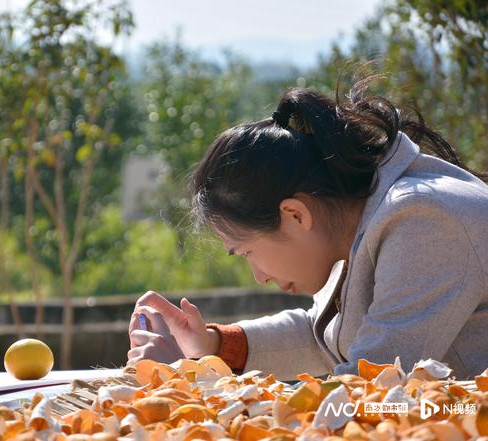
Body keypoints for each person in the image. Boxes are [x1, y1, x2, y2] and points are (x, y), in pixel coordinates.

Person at [126, 77, 488, 380]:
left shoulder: (424, 221)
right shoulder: (359, 222)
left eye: (247, 251)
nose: (259, 276)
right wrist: (211, 347)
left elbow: (370, 394)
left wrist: (190, 382)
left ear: (296, 215)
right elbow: (323, 337)